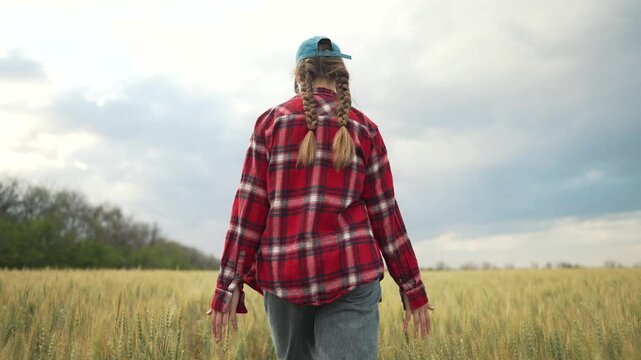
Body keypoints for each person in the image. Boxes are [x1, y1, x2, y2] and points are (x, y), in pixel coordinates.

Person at [206, 35, 435, 359]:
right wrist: (412, 287)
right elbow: (386, 216)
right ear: (341, 76)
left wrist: (227, 285)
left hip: (284, 276)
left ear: (300, 77)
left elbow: (248, 213)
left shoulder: (271, 123)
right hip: (350, 272)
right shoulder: (365, 129)